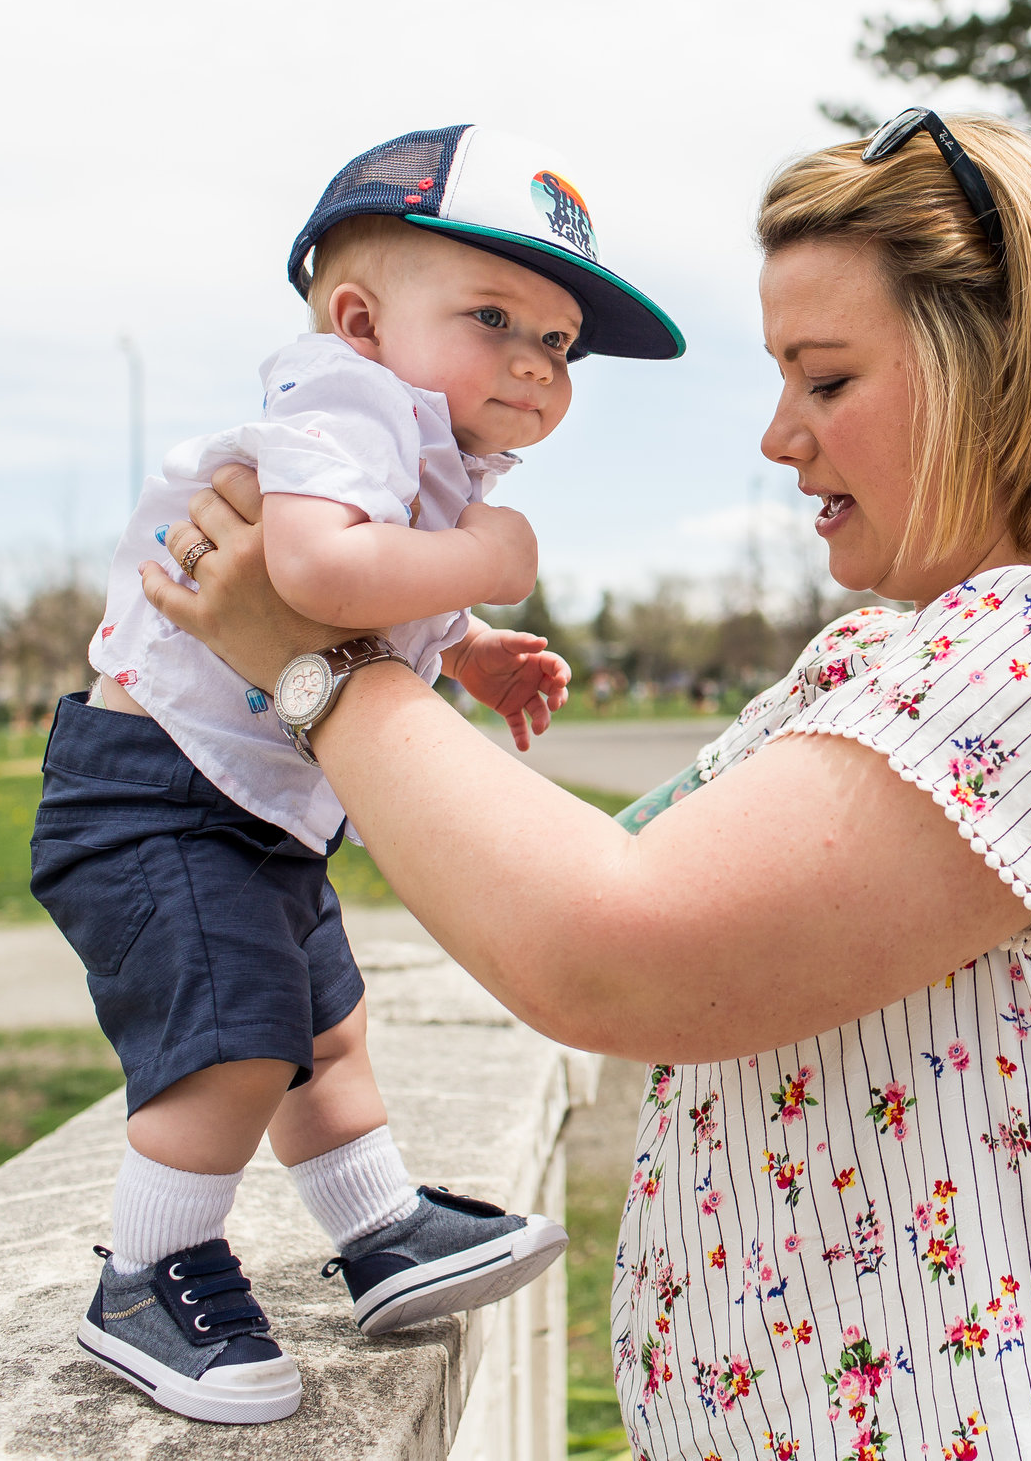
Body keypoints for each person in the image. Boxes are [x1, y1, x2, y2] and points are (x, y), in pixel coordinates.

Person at [140, 111, 1031, 1458]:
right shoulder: (890, 652)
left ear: (1000, 369)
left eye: (824, 380)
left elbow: (613, 950)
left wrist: (315, 667)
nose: (777, 435)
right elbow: (569, 866)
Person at [35, 125, 680, 1424]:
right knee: (238, 1035)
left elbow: (380, 606)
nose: (534, 361)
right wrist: (491, 560)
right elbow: (320, 573)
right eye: (494, 315)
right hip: (157, 791)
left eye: (558, 343)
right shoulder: (348, 400)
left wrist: (474, 648)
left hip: (253, 803)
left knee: (329, 1025)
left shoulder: (432, 454)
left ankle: (380, 1225)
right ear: (359, 317)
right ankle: (150, 1272)